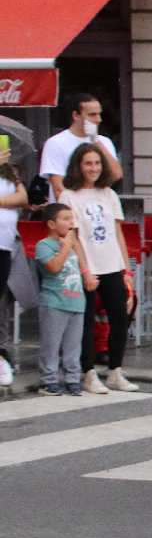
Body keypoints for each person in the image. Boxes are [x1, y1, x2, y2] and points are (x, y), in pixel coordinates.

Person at [59, 144, 137, 394]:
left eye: (97, 163)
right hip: (88, 266)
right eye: (88, 163)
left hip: (112, 264)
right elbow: (73, 236)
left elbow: (118, 234)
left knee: (120, 318)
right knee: (86, 323)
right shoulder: (69, 196)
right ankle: (88, 372)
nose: (93, 168)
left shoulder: (109, 195)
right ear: (78, 166)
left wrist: (127, 271)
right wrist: (85, 270)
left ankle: (115, 370)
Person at [33, 204, 90, 396]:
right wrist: (66, 246)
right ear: (51, 224)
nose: (70, 223)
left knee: (74, 345)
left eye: (71, 218)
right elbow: (54, 267)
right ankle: (48, 380)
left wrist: (87, 275)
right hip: (54, 302)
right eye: (65, 219)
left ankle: (72, 378)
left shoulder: (72, 244)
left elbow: (80, 262)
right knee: (51, 343)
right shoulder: (43, 246)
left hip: (76, 301)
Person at [40, 93, 123, 200]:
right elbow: (58, 187)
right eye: (92, 115)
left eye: (99, 114)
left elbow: (116, 175)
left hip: (97, 207)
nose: (98, 119)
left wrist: (96, 141)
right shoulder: (55, 143)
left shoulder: (104, 142)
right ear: (76, 115)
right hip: (69, 210)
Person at [0, 146, 25, 388]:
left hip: (5, 245)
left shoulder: (10, 175)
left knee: (2, 301)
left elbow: (22, 198)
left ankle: (1, 353)